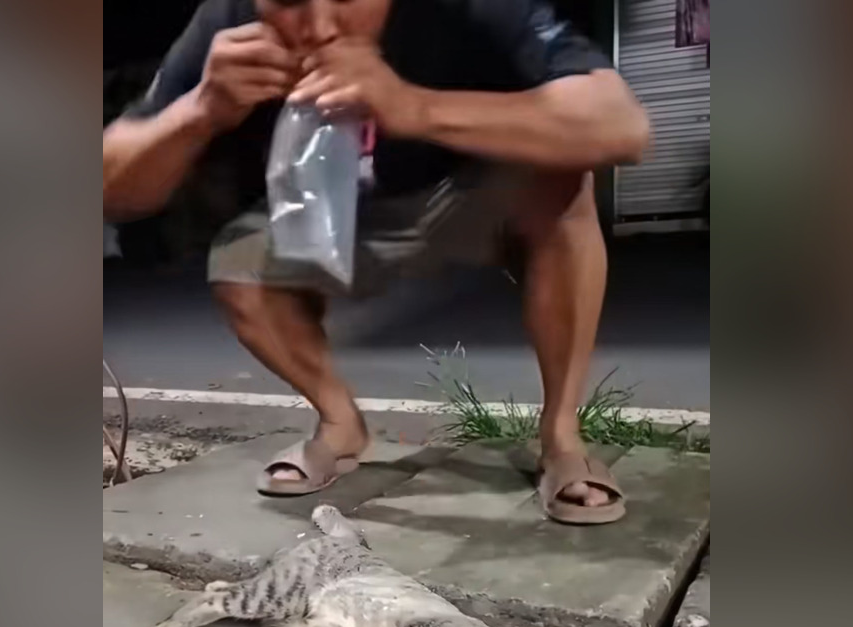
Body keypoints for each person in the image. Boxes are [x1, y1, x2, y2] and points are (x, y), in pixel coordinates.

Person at [103, 0, 650, 524]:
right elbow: (110, 189)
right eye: (289, 0)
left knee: (564, 179)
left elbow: (621, 126)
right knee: (238, 261)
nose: (319, 26)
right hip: (333, 216)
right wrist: (199, 109)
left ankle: (561, 436)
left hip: (462, 197)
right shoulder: (228, 20)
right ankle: (339, 423)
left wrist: (415, 106)